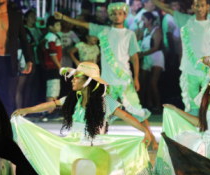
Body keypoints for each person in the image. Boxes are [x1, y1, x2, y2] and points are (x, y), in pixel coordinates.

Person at [11, 62, 154, 175]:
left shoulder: (104, 102)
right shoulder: (74, 99)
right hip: (75, 146)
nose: (72, 79)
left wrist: (145, 131)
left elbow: (126, 117)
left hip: (96, 147)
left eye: (77, 77)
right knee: (51, 152)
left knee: (125, 159)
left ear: (88, 81)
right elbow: (50, 105)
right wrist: (27, 110)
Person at [54, 3, 158, 149]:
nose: (117, 16)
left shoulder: (130, 34)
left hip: (124, 80)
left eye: (120, 13)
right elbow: (83, 24)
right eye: (114, 13)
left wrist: (135, 78)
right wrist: (64, 17)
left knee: (137, 110)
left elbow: (134, 57)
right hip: (106, 82)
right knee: (101, 113)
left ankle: (152, 139)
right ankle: (99, 141)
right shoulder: (103, 31)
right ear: (110, 15)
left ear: (125, 15)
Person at [151, 0, 210, 116]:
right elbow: (167, 8)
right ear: (193, 7)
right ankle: (192, 131)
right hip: (189, 70)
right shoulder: (185, 20)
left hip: (207, 71)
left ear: (207, 7)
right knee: (191, 104)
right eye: (197, 6)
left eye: (202, 5)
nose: (200, 8)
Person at [137, 12, 164, 113]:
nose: (142, 21)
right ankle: (145, 104)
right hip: (146, 57)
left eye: (144, 19)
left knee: (153, 83)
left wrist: (142, 54)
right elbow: (135, 40)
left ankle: (158, 107)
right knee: (142, 82)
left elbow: (155, 47)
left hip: (156, 57)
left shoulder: (156, 30)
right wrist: (138, 28)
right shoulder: (143, 31)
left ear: (150, 20)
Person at [42, 16, 62, 113]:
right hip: (52, 67)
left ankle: (52, 111)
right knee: (52, 90)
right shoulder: (51, 37)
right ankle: (48, 112)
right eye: (57, 24)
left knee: (54, 89)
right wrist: (59, 66)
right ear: (50, 26)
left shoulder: (52, 36)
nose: (60, 26)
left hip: (53, 67)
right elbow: (53, 54)